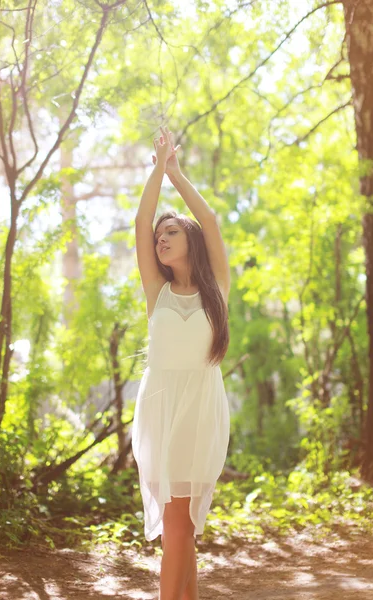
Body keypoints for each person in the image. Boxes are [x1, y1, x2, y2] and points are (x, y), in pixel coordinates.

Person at [132, 126, 231, 600]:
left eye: (171, 232)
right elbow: (141, 221)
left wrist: (176, 172)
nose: (160, 240)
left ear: (189, 239)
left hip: (202, 410)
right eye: (158, 238)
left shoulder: (217, 292)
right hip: (161, 409)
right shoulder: (158, 292)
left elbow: (209, 220)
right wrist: (156, 169)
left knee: (184, 523)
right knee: (176, 522)